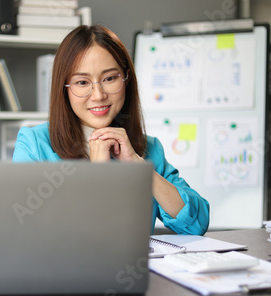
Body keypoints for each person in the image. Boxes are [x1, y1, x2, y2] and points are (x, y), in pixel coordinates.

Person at [12, 25, 209, 235]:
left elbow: (197, 224)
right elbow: (25, 232)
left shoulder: (149, 149)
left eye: (109, 78)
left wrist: (139, 168)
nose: (98, 95)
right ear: (65, 88)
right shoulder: (34, 144)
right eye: (82, 82)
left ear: (126, 79)